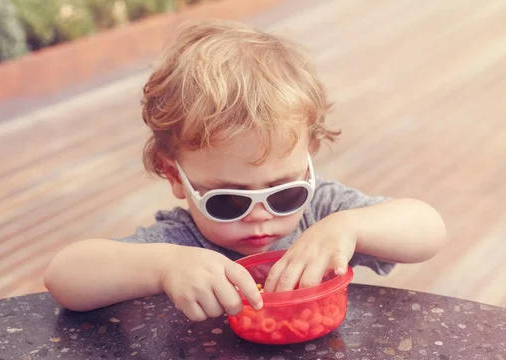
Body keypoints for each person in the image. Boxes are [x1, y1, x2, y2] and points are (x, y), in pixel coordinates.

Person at [44, 19, 446, 322]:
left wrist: (350, 228)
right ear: (174, 177)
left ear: (309, 156)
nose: (261, 216)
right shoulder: (182, 243)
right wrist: (163, 268)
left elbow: (429, 229)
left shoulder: (322, 211)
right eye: (228, 201)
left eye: (285, 192)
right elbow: (64, 276)